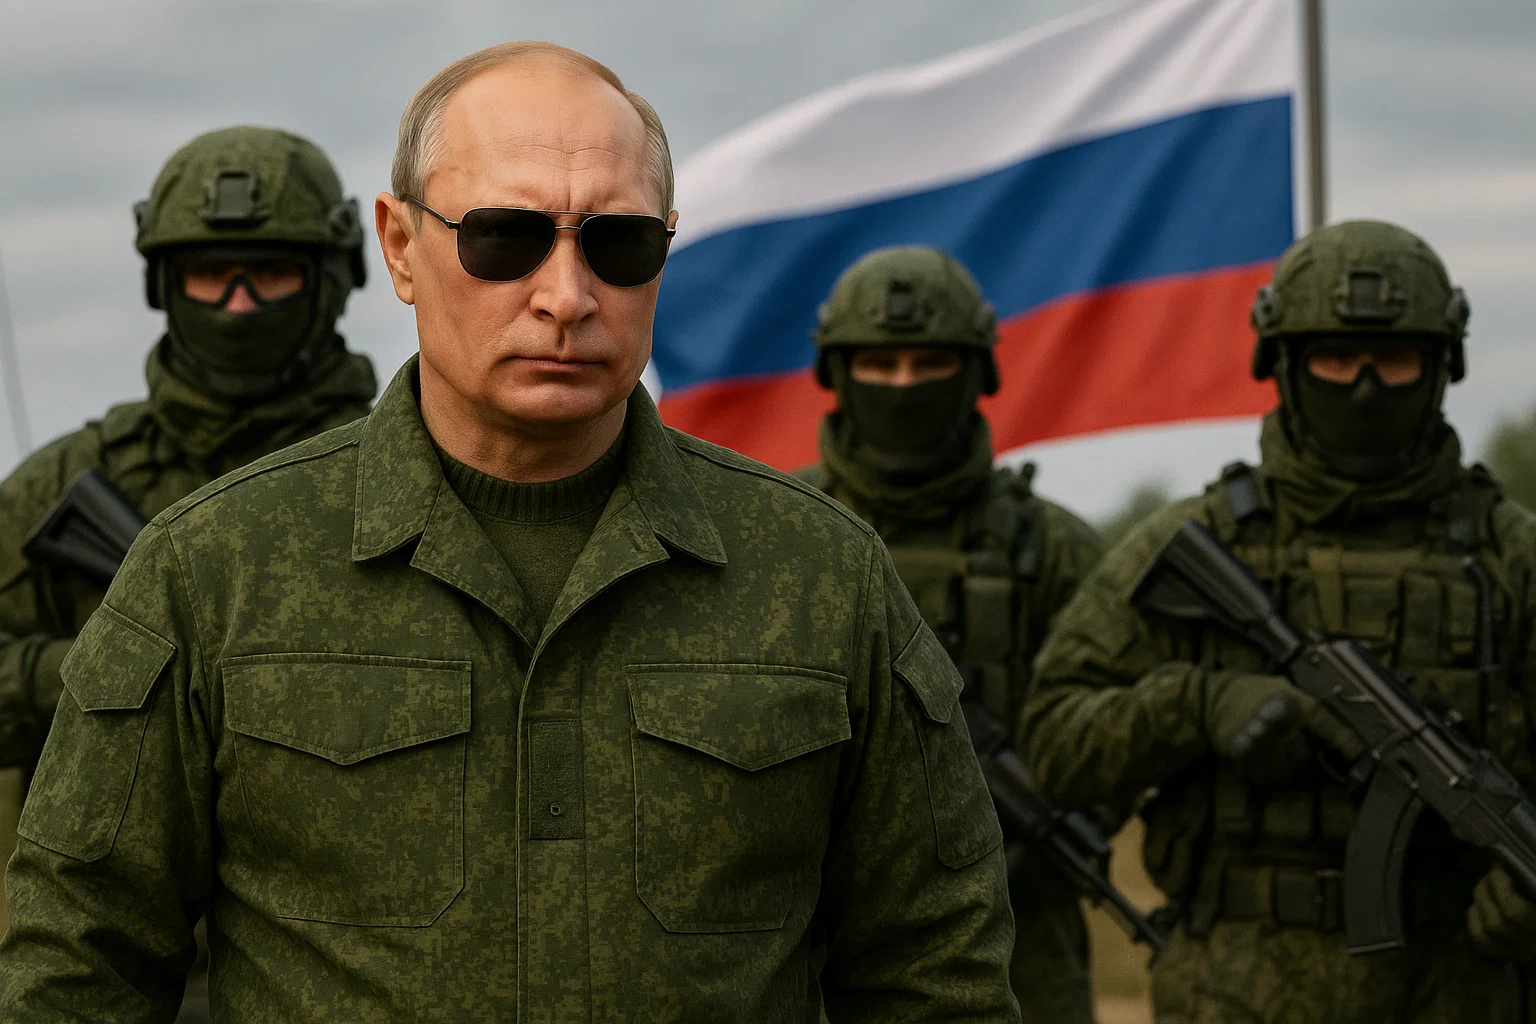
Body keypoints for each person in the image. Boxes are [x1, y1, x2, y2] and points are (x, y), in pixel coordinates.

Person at [0, 42, 1018, 1023]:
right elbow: (77, 967)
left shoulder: (823, 575)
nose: (567, 297)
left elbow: (934, 971)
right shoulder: (210, 568)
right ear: (401, 246)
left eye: (619, 245)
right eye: (504, 237)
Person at [1021, 219, 1536, 1022]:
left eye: (1395, 359)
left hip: (1460, 990)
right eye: (1336, 357)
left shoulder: (1511, 557)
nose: (1365, 386)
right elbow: (1054, 741)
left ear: (1442, 368)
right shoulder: (1197, 544)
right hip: (1235, 991)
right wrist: (1196, 704)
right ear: (1284, 365)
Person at [0, 126, 376, 1022]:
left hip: (341, 965)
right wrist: (111, 671)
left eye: (269, 274)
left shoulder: (394, 475)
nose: (238, 305)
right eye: (211, 275)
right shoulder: (66, 485)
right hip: (110, 960)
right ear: (163, 285)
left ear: (329, 280)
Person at [797, 245, 1105, 1021]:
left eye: (929, 363)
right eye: (880, 364)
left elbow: (1114, 726)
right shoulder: (776, 535)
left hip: (1019, 936)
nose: (904, 386)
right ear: (837, 374)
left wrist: (1041, 831)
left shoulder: (1053, 548)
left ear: (976, 374)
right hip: (804, 936)